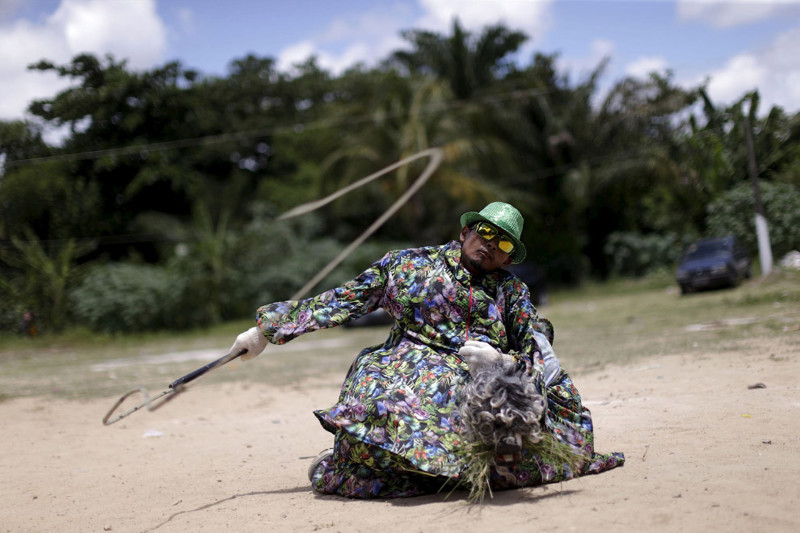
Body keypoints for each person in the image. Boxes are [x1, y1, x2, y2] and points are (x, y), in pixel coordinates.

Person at [230, 201, 624, 498]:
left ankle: (448, 468)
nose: (491, 245)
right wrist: (267, 331)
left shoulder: (511, 290)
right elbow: (343, 300)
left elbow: (537, 343)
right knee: (381, 404)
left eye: (503, 242)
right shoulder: (408, 266)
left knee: (525, 447)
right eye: (485, 232)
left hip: (477, 390)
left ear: (508, 255)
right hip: (404, 372)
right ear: (467, 230)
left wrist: (503, 362)